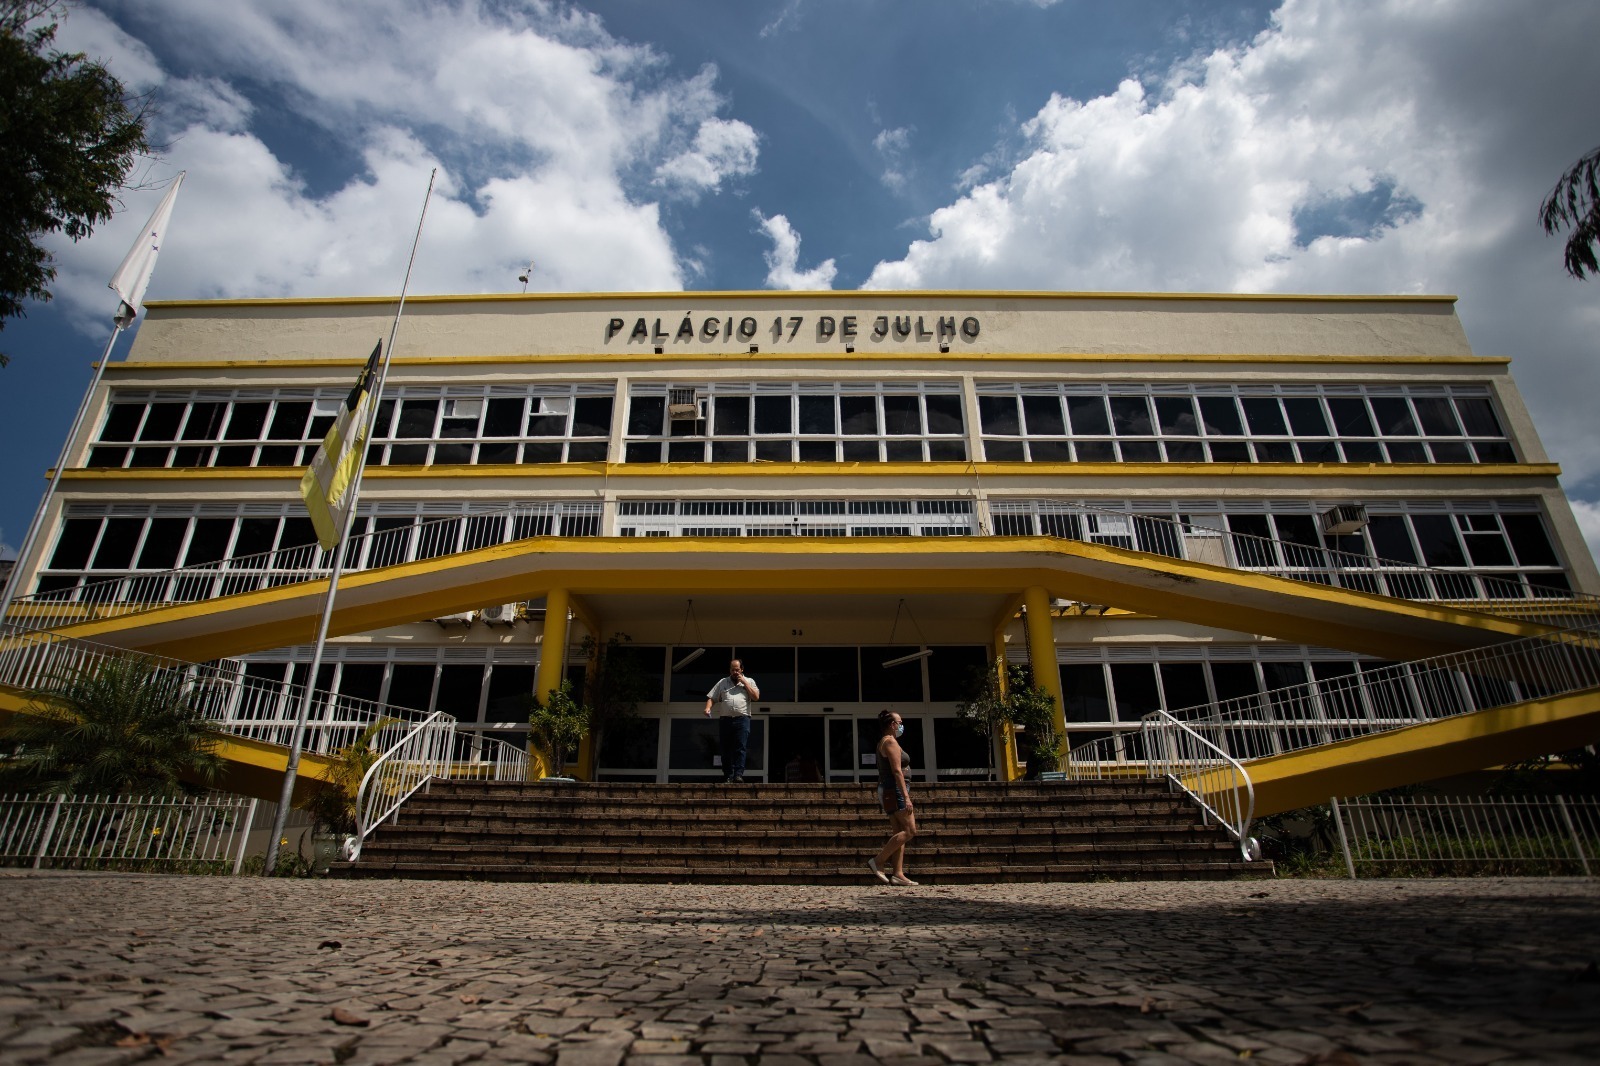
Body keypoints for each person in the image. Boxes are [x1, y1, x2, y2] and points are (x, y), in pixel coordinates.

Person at [868, 709, 918, 885]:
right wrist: (906, 796)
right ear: (892, 725)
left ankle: (898, 873)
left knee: (899, 832)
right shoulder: (890, 742)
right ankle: (878, 860)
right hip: (895, 790)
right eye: (900, 722)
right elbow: (897, 771)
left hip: (889, 789)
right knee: (910, 830)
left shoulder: (888, 741)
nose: (901, 725)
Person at [703, 659, 759, 783]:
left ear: (742, 669)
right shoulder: (723, 682)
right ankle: (728, 775)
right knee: (725, 749)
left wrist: (744, 682)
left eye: (737, 670)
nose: (735, 672)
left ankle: (738, 774)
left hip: (742, 719)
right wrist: (707, 708)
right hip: (726, 720)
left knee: (740, 747)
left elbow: (756, 697)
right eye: (732, 669)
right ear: (730, 670)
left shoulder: (749, 681)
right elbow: (711, 698)